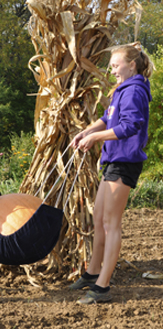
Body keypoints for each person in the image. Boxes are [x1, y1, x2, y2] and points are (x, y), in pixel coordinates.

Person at [69, 43, 154, 304]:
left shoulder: (135, 91)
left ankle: (103, 286)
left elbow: (129, 126)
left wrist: (95, 138)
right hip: (113, 159)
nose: (112, 70)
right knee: (99, 221)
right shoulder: (121, 90)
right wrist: (87, 131)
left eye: (116, 65)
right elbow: (108, 118)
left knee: (111, 223)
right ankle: (93, 273)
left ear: (132, 65)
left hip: (125, 161)